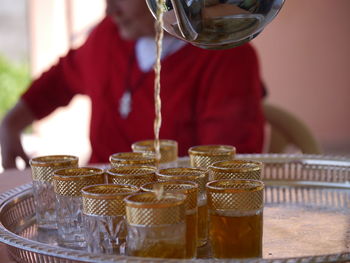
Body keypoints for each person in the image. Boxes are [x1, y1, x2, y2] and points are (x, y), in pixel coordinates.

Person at [0, 0, 265, 170]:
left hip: (177, 221)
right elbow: (60, 80)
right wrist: (11, 123)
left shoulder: (226, 57)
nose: (109, 9)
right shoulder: (109, 35)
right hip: (102, 211)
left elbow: (226, 170)